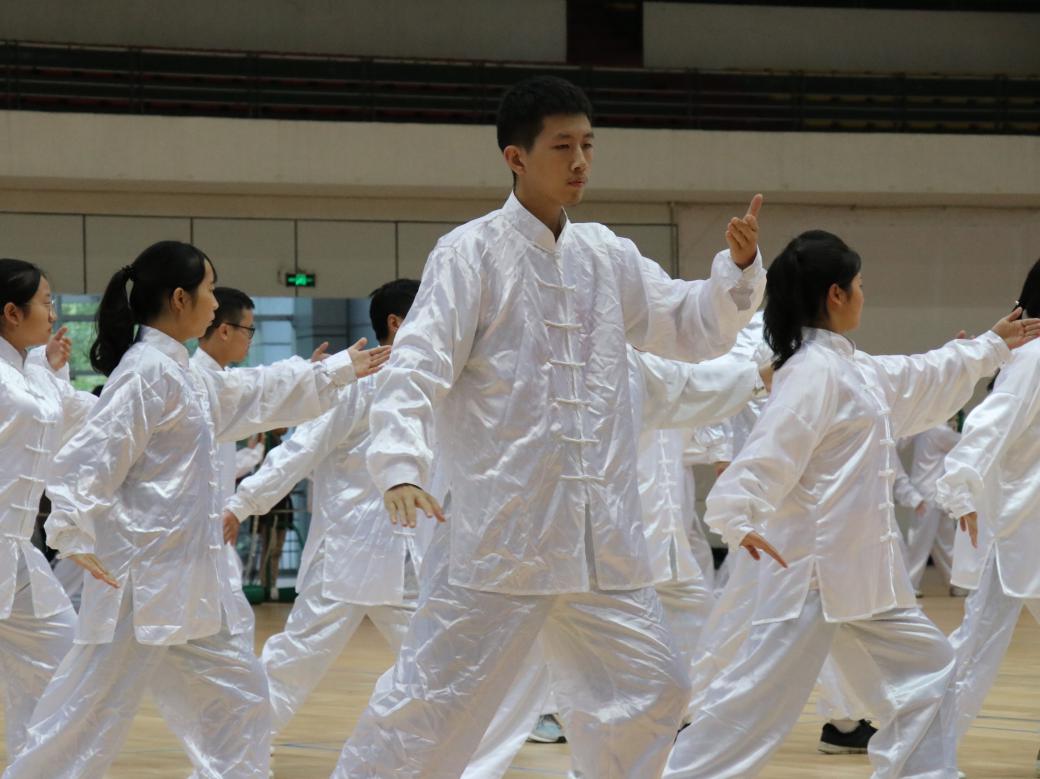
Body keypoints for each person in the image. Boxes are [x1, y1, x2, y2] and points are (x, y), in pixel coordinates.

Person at [335, 74, 766, 778]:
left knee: (656, 688)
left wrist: (738, 270)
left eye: (588, 145)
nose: (581, 161)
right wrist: (401, 466)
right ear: (516, 157)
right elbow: (416, 366)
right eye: (563, 146)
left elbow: (690, 326)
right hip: (503, 537)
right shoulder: (470, 253)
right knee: (429, 707)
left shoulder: (608, 255)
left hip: (601, 544)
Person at [2, 240, 389, 779]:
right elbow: (94, 453)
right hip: (138, 579)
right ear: (180, 299)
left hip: (184, 576)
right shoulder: (146, 372)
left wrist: (333, 372)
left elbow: (242, 395)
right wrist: (69, 527)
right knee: (86, 715)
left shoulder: (177, 369)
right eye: (208, 290)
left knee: (242, 696)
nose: (214, 302)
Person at [664, 229, 1036, 778]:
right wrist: (735, 514)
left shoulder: (845, 366)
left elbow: (916, 374)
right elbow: (771, 450)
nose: (865, 294)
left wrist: (989, 346)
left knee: (934, 672)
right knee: (751, 710)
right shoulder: (812, 372)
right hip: (813, 575)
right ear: (835, 295)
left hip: (862, 576)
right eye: (859, 285)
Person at [223, 279, 422, 741]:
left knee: (436, 659)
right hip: (347, 551)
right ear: (396, 323)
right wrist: (243, 503)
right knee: (294, 661)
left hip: (407, 552)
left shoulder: (429, 381)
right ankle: (237, 744)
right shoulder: (360, 382)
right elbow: (302, 449)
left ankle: (452, 753)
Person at [936, 257, 1040, 776]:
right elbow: (987, 425)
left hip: (1023, 529)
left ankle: (922, 754)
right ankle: (922, 758)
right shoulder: (1033, 358)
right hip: (1018, 529)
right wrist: (960, 487)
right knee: (971, 656)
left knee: (971, 652)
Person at [0, 259, 95, 760]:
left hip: (16, 555)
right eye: (45, 302)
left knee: (61, 663)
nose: (53, 312)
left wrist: (47, 365)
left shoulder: (25, 371)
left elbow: (66, 416)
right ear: (12, 313)